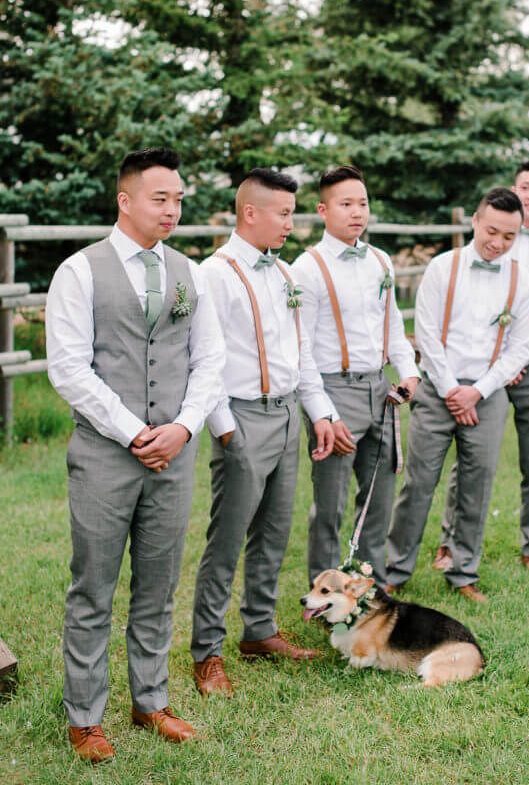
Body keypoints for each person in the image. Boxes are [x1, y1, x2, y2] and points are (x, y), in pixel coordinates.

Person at [46, 148, 225, 763]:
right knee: (93, 588)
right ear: (125, 200)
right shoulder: (80, 271)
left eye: (178, 198)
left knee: (158, 583)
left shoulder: (190, 273)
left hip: (174, 455)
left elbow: (210, 359)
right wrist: (132, 433)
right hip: (104, 456)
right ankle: (86, 717)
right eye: (160, 198)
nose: (173, 209)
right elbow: (69, 368)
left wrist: (182, 427)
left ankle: (151, 702)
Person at [190, 168, 336, 697]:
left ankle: (258, 630)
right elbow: (200, 362)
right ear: (250, 212)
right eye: (283, 213)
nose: (290, 224)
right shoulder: (215, 274)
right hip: (241, 417)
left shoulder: (285, 274)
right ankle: (207, 652)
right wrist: (226, 432)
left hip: (286, 413)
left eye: (293, 213)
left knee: (274, 533)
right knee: (227, 540)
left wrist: (317, 411)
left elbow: (303, 354)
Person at [385, 188, 529, 603]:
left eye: (509, 236)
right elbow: (428, 335)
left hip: (488, 395)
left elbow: (521, 347)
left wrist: (478, 391)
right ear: (474, 220)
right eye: (492, 231)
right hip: (438, 391)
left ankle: (463, 571)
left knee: (477, 484)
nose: (498, 242)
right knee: (419, 483)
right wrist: (453, 390)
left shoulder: (523, 279)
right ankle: (395, 569)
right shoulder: (442, 268)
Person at [434, 159, 529, 574]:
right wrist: (496, 366)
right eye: (524, 186)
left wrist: (521, 357)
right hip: (482, 369)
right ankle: (450, 542)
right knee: (470, 455)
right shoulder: (493, 240)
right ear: (514, 190)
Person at [292, 166, 420, 586]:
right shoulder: (307, 268)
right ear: (323, 210)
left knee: (378, 496)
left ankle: (370, 585)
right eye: (346, 204)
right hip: (334, 391)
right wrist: (324, 413)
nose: (356, 212)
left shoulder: (380, 260)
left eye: (362, 203)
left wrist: (410, 372)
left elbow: (393, 324)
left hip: (379, 388)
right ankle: (326, 591)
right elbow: (301, 348)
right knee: (330, 503)